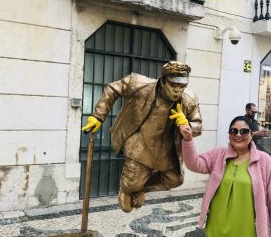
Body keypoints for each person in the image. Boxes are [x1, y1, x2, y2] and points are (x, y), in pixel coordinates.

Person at [82, 61, 202, 213]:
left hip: (165, 148)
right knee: (131, 183)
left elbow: (198, 125)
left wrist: (188, 127)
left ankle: (141, 188)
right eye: (173, 84)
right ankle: (128, 189)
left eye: (182, 85)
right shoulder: (139, 84)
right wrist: (98, 116)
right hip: (139, 140)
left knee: (176, 179)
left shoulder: (189, 99)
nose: (177, 90)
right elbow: (112, 89)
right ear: (163, 81)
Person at [180, 116, 271, 237]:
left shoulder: (264, 161)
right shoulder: (218, 155)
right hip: (215, 231)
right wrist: (188, 139)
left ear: (251, 134)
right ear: (229, 134)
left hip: (249, 233)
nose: (238, 135)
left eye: (244, 131)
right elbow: (194, 164)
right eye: (234, 131)